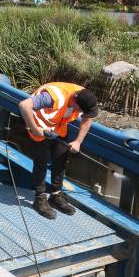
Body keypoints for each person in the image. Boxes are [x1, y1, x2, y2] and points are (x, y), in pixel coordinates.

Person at [18, 82, 98, 219]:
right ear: (75, 103)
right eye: (80, 110)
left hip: (57, 126)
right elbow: (24, 105)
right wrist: (37, 130)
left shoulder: (85, 97)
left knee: (61, 159)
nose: (80, 113)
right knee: (41, 162)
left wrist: (78, 141)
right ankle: (39, 198)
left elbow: (88, 118)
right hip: (38, 125)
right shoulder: (53, 97)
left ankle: (55, 196)